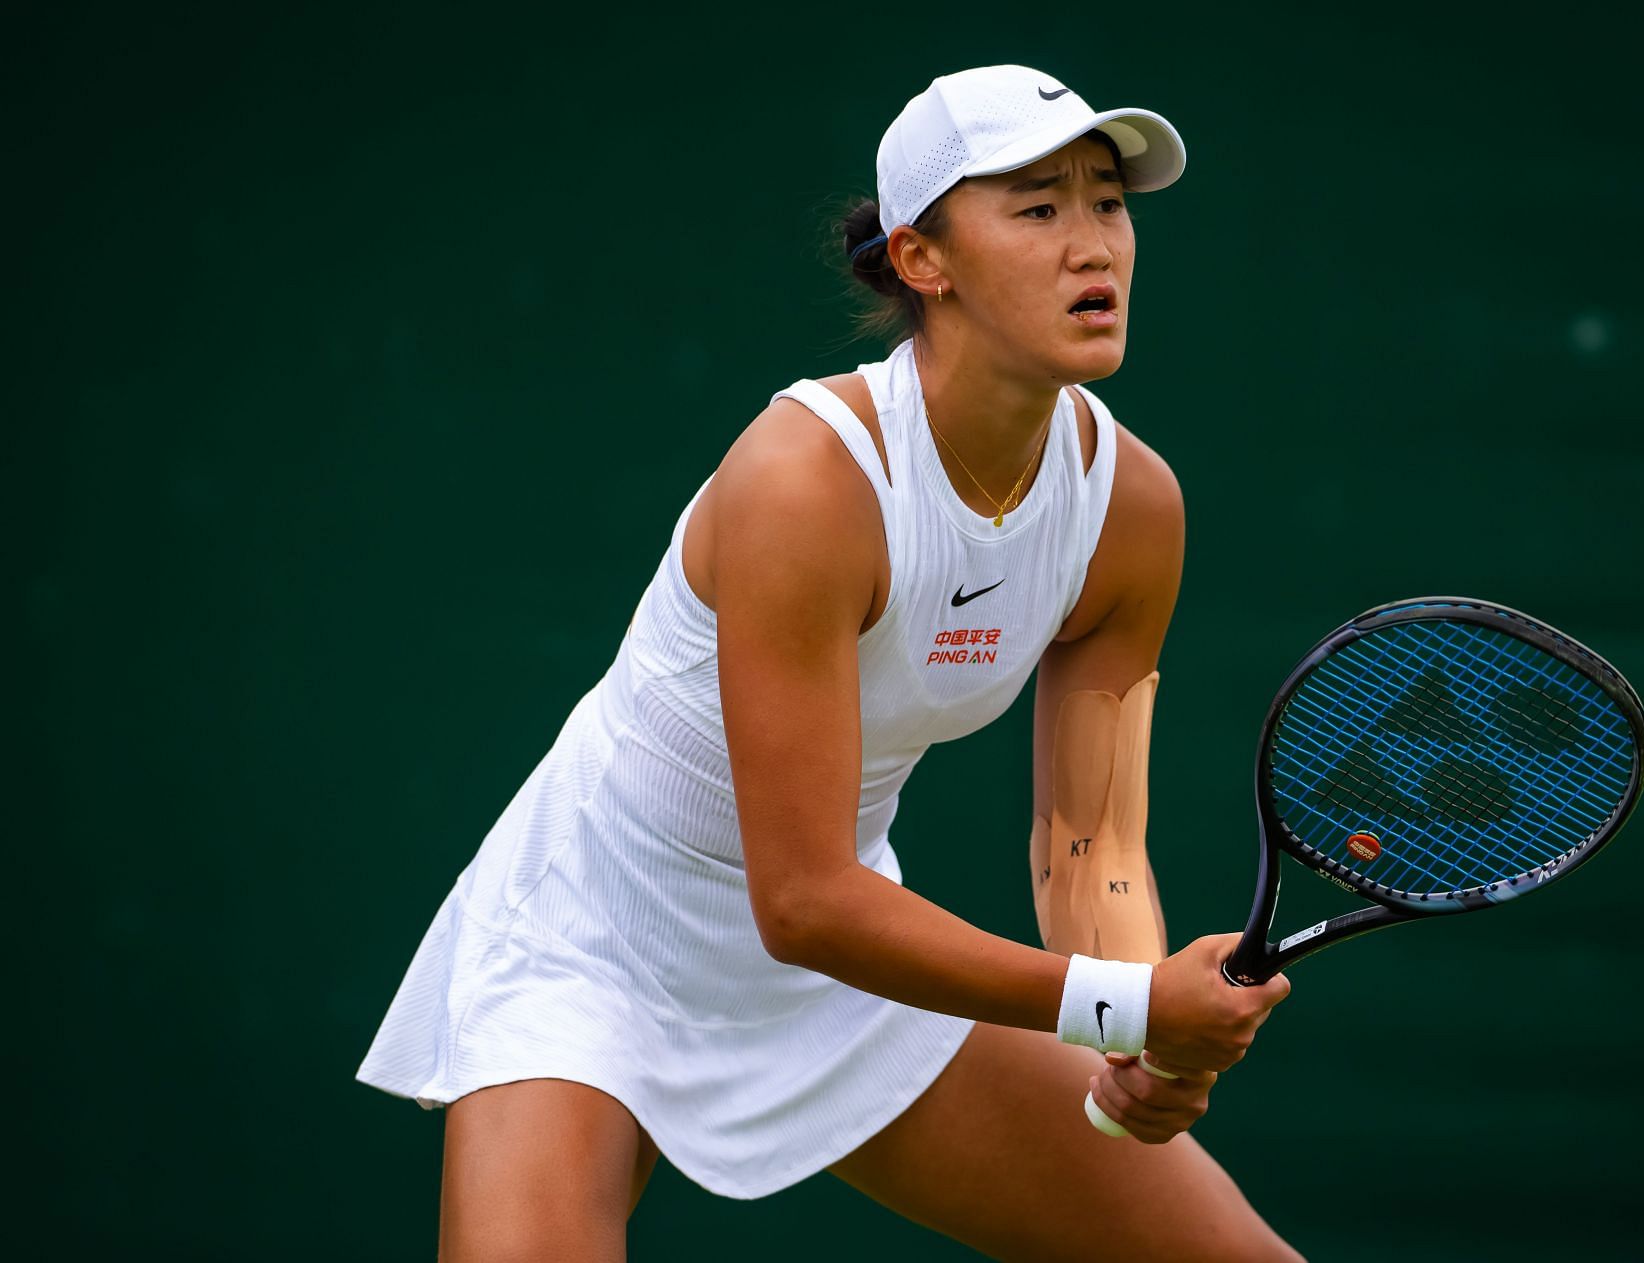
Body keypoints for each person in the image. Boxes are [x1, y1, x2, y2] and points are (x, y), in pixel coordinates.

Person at [357, 64, 1303, 1261]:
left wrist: (1134, 1029)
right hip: (597, 944)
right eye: (1036, 207)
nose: (1092, 246)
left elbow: (1091, 838)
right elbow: (800, 902)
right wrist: (1119, 1003)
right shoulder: (808, 481)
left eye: (1106, 203)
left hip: (845, 959)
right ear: (923, 260)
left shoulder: (1132, 509)